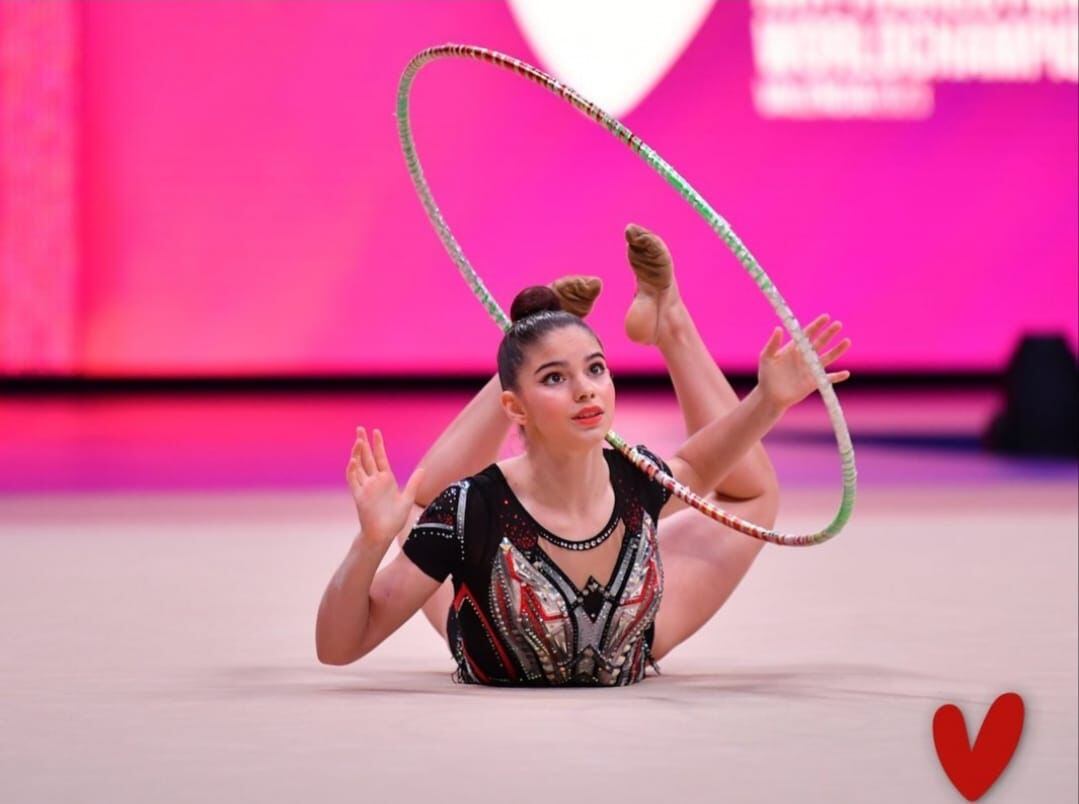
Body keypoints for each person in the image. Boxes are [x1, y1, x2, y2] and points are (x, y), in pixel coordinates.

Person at [316, 224, 851, 685]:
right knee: (421, 506)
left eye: (595, 369)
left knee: (753, 497)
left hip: (632, 641)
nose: (587, 390)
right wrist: (370, 543)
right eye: (556, 377)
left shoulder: (635, 478)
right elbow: (337, 648)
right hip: (489, 625)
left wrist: (768, 401)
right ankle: (531, 342)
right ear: (514, 405)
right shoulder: (468, 510)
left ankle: (670, 323)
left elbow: (711, 470)